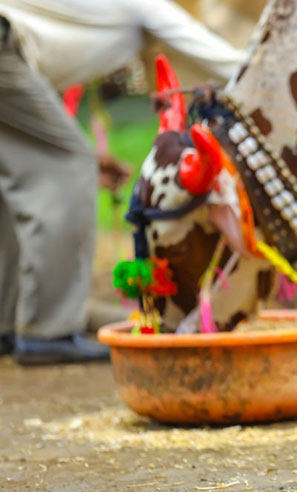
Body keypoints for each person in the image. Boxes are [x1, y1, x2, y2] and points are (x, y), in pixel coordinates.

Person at [0, 0, 245, 364]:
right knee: (68, 163)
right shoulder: (147, 5)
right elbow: (228, 64)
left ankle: (9, 323)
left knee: (19, 176)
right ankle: (48, 331)